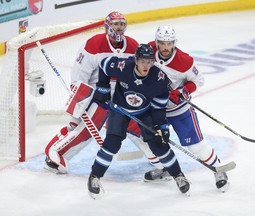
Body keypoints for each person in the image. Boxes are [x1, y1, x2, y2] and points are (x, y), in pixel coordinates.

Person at [44, 11, 147, 174]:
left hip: (121, 96)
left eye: (121, 24)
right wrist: (81, 99)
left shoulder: (133, 46)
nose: (119, 28)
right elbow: (79, 76)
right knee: (81, 128)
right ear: (108, 26)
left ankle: (156, 155)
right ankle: (54, 155)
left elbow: (138, 72)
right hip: (97, 95)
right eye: (115, 24)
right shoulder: (94, 44)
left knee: (138, 125)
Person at [87, 44, 190, 198]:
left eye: (149, 62)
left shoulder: (159, 79)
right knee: (111, 144)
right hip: (119, 109)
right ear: (136, 60)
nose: (146, 65)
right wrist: (103, 87)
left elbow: (158, 107)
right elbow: (103, 65)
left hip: (144, 112)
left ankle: (178, 175)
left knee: (159, 145)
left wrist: (161, 125)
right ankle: (95, 176)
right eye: (142, 61)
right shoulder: (123, 66)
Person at [138, 26, 229, 192]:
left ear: (174, 43)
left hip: (179, 110)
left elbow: (198, 80)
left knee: (195, 146)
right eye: (162, 43)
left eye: (169, 43)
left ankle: (219, 169)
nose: (165, 47)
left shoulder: (184, 61)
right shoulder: (148, 51)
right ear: (156, 42)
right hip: (156, 110)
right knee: (156, 144)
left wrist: (184, 91)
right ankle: (166, 169)